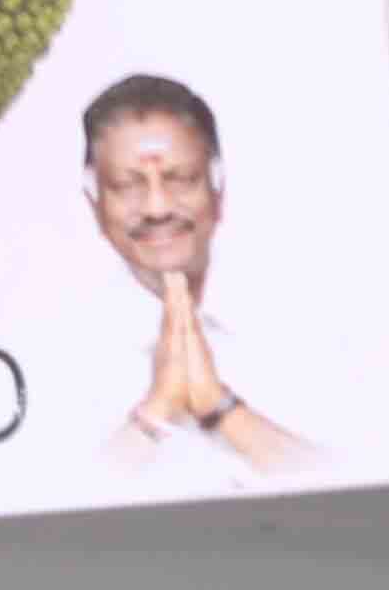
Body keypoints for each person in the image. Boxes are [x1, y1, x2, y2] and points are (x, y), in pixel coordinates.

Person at [82, 74, 312, 483]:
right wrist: (154, 414)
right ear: (94, 201)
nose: (156, 207)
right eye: (126, 185)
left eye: (181, 179)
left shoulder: (305, 323)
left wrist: (218, 408)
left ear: (217, 185)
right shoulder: (60, 353)